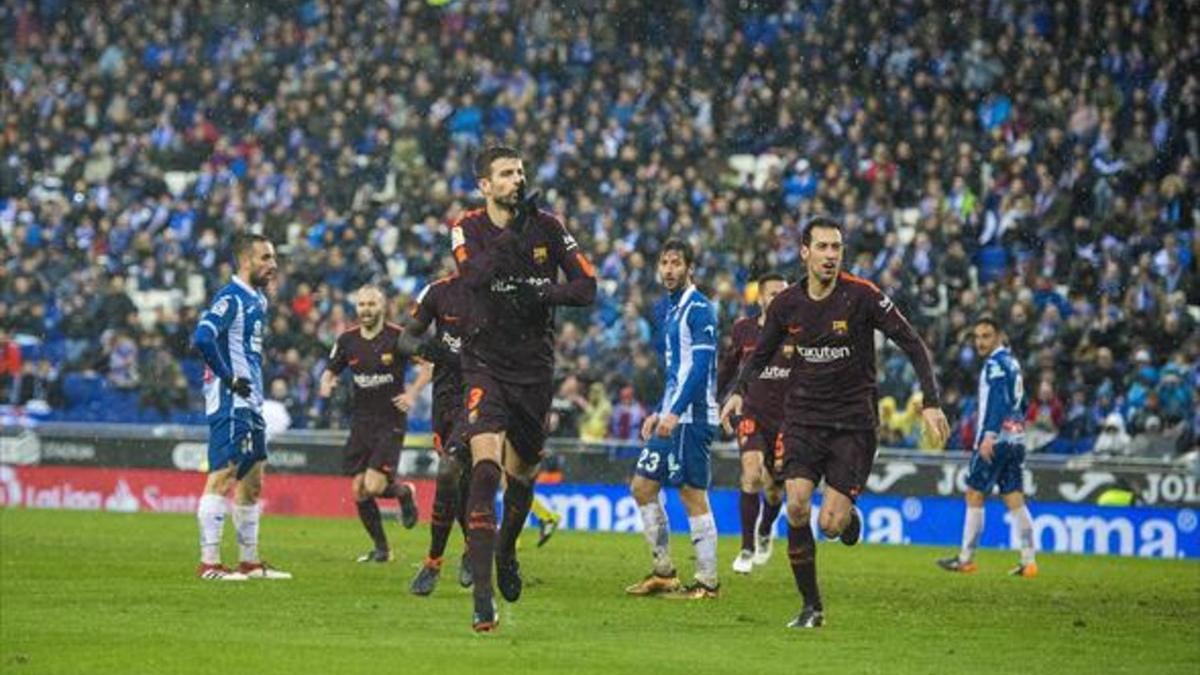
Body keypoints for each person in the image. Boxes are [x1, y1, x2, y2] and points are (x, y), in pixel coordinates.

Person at [722, 216, 949, 629]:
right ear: (805, 252)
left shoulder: (862, 296)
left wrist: (931, 402)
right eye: (822, 247)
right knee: (794, 505)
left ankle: (847, 516)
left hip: (853, 424)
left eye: (836, 248)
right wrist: (738, 390)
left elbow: (911, 342)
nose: (830, 256)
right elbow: (760, 353)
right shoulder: (787, 304)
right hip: (804, 419)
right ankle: (812, 607)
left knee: (829, 525)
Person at [450, 145, 597, 632]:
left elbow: (586, 288)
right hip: (484, 362)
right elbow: (473, 278)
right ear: (484, 186)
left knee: (523, 475)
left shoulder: (549, 226)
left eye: (520, 171)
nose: (518, 179)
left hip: (534, 368)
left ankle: (506, 550)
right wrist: (512, 233)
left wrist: (541, 292)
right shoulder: (466, 227)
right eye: (506, 174)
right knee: (485, 466)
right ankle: (483, 599)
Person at [190, 233, 291, 581]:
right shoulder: (230, 297)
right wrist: (229, 378)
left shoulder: (257, 300)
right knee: (222, 476)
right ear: (246, 261)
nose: (273, 265)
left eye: (273, 257)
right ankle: (210, 564)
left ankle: (250, 562)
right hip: (231, 399)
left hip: (251, 400)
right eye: (266, 257)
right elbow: (202, 336)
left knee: (252, 480)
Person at [624, 239, 722, 600]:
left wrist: (676, 411)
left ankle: (708, 583)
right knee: (643, 487)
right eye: (664, 263)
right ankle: (663, 573)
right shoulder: (671, 310)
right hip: (672, 416)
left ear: (690, 267)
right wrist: (660, 412)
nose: (668, 270)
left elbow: (699, 369)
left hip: (692, 418)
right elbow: (675, 374)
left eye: (676, 263)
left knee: (691, 494)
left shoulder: (699, 309)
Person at [318, 284, 418, 564]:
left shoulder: (398, 337)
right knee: (359, 490)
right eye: (361, 305)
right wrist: (327, 383)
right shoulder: (348, 340)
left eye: (371, 304)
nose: (366, 310)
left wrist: (412, 393)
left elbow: (429, 364)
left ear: (382, 306)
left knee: (373, 486)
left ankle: (404, 492)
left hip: (390, 421)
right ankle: (382, 550)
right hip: (361, 421)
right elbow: (330, 370)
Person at [937, 317, 1038, 577]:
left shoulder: (994, 364)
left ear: (999, 336)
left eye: (986, 336)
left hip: (996, 439)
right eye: (977, 336)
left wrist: (990, 435)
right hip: (1016, 437)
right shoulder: (1012, 363)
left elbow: (998, 401)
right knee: (1014, 496)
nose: (980, 342)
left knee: (974, 493)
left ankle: (965, 558)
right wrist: (1016, 425)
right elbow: (1023, 402)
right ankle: (1029, 561)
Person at [401, 274, 475, 595]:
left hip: (481, 395)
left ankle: (433, 561)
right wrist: (429, 350)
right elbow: (404, 339)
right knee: (459, 480)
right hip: (444, 401)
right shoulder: (438, 291)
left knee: (449, 470)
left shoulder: (501, 293)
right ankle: (474, 545)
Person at [716, 272, 789, 574]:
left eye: (783, 294)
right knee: (750, 474)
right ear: (760, 298)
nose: (778, 299)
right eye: (773, 294)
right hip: (752, 414)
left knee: (774, 490)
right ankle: (746, 548)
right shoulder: (743, 330)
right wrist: (717, 398)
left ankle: (765, 529)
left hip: (787, 421)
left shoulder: (800, 331)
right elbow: (730, 366)